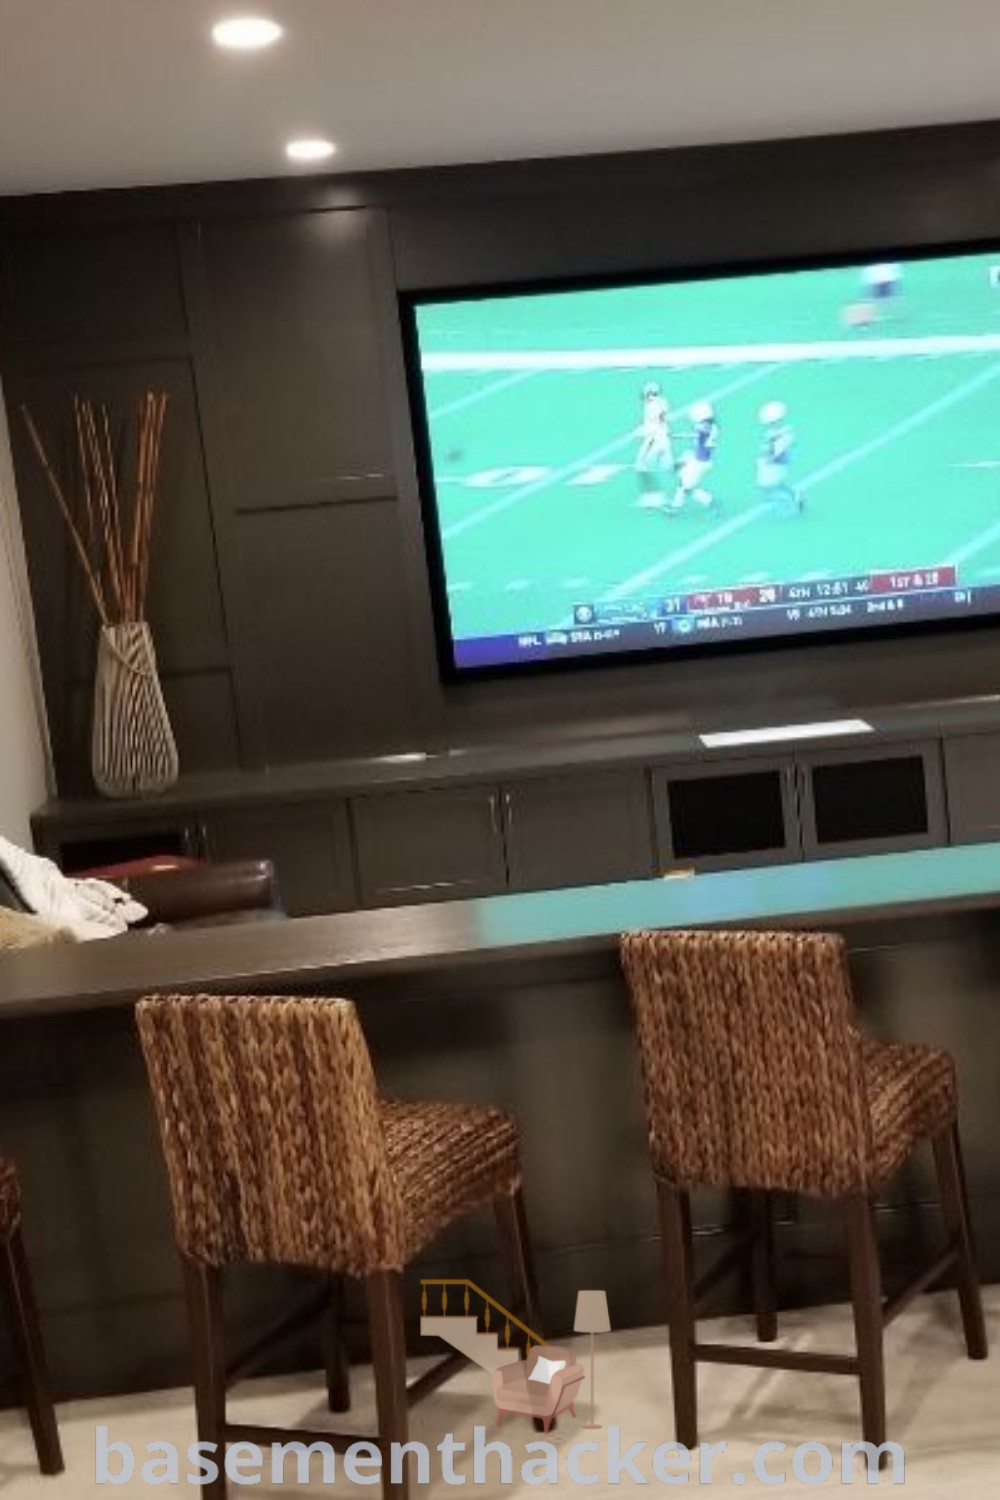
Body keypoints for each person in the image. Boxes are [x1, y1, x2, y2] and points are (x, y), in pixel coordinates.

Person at [670, 399, 720, 514]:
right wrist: (678, 436)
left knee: (686, 487)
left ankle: (710, 502)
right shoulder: (709, 425)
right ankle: (675, 507)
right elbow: (697, 436)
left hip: (701, 461)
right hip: (697, 458)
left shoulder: (705, 427)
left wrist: (678, 436)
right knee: (684, 484)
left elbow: (700, 435)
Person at [757, 400, 803, 514]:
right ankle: (795, 495)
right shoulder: (781, 431)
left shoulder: (780, 434)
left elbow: (776, 451)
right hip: (778, 463)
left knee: (767, 487)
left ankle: (788, 504)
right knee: (777, 484)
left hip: (776, 464)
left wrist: (767, 459)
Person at [635, 381, 674, 505]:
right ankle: (663, 495)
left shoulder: (652, 406)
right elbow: (660, 421)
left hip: (654, 441)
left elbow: (654, 425)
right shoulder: (662, 402)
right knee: (667, 468)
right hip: (662, 440)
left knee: (641, 467)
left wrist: (643, 432)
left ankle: (654, 497)